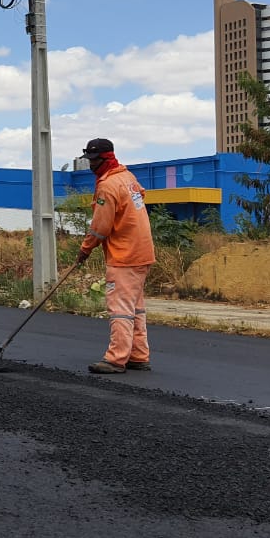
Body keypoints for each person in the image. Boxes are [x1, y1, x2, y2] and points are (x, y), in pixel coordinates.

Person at [74, 138, 156, 374]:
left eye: (95, 160)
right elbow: (141, 197)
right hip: (142, 252)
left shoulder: (109, 185)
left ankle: (116, 359)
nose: (91, 165)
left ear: (106, 158)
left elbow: (100, 227)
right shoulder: (127, 178)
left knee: (120, 308)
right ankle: (138, 355)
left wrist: (85, 249)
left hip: (125, 255)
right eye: (89, 160)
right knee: (135, 308)